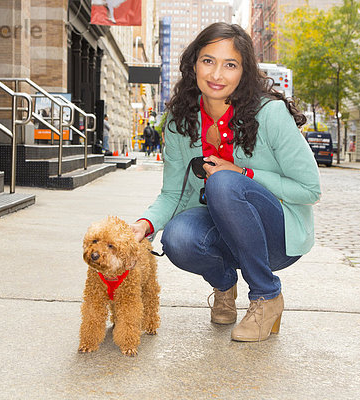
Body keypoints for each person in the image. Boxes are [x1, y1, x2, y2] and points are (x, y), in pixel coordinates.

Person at [130, 22, 321, 342]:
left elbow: (310, 189)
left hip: (275, 236)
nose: (217, 74)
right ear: (194, 65)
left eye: (230, 64)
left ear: (244, 72)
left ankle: (266, 295)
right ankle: (224, 285)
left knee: (223, 183)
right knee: (176, 238)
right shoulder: (180, 123)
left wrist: (244, 173)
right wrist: (145, 224)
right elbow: (172, 193)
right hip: (222, 230)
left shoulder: (271, 114)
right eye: (208, 61)